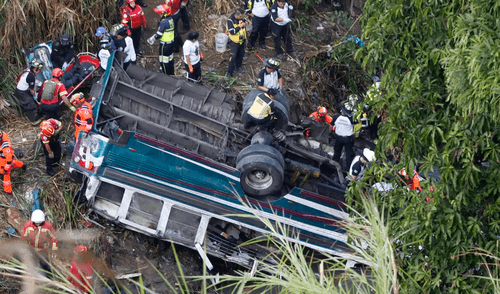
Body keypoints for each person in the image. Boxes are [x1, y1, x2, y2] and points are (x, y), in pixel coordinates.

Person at [148, 4, 175, 75]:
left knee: (163, 60)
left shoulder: (164, 22)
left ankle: (165, 75)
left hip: (164, 45)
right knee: (170, 59)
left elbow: (159, 34)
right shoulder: (170, 19)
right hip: (171, 43)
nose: (159, 14)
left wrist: (153, 38)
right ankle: (171, 73)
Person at [15, 59, 43, 123]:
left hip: (20, 89)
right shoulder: (30, 76)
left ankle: (37, 114)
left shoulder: (27, 70)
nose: (40, 71)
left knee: (31, 101)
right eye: (39, 70)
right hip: (21, 92)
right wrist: (35, 95)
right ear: (35, 69)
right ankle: (34, 121)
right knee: (31, 105)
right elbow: (32, 89)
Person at [0, 130, 24, 195]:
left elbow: (9, 160)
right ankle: (22, 165)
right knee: (14, 163)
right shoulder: (2, 133)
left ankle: (8, 191)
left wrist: (6, 168)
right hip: (3, 158)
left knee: (6, 175)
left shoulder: (5, 146)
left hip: (5, 160)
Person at [332, 102, 355, 167]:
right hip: (347, 139)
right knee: (348, 154)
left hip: (338, 137)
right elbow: (356, 126)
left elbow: (331, 125)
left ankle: (334, 165)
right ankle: (348, 168)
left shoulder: (336, 117)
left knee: (337, 152)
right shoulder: (351, 119)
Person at [226, 9, 247, 77]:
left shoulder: (241, 19)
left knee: (241, 55)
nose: (242, 17)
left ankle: (238, 67)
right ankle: (229, 72)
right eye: (240, 16)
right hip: (234, 42)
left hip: (241, 41)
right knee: (233, 57)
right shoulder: (230, 21)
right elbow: (232, 31)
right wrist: (239, 26)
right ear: (236, 15)